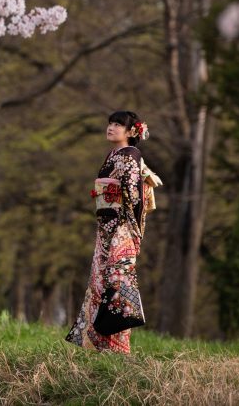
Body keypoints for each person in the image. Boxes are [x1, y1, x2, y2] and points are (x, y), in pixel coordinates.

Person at [65, 110, 154, 353]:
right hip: (106, 228)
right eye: (110, 123)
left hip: (121, 228)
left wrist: (134, 233)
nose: (111, 127)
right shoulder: (113, 155)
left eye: (117, 124)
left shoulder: (130, 156)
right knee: (100, 283)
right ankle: (98, 344)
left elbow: (134, 197)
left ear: (131, 131)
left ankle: (117, 347)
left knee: (118, 284)